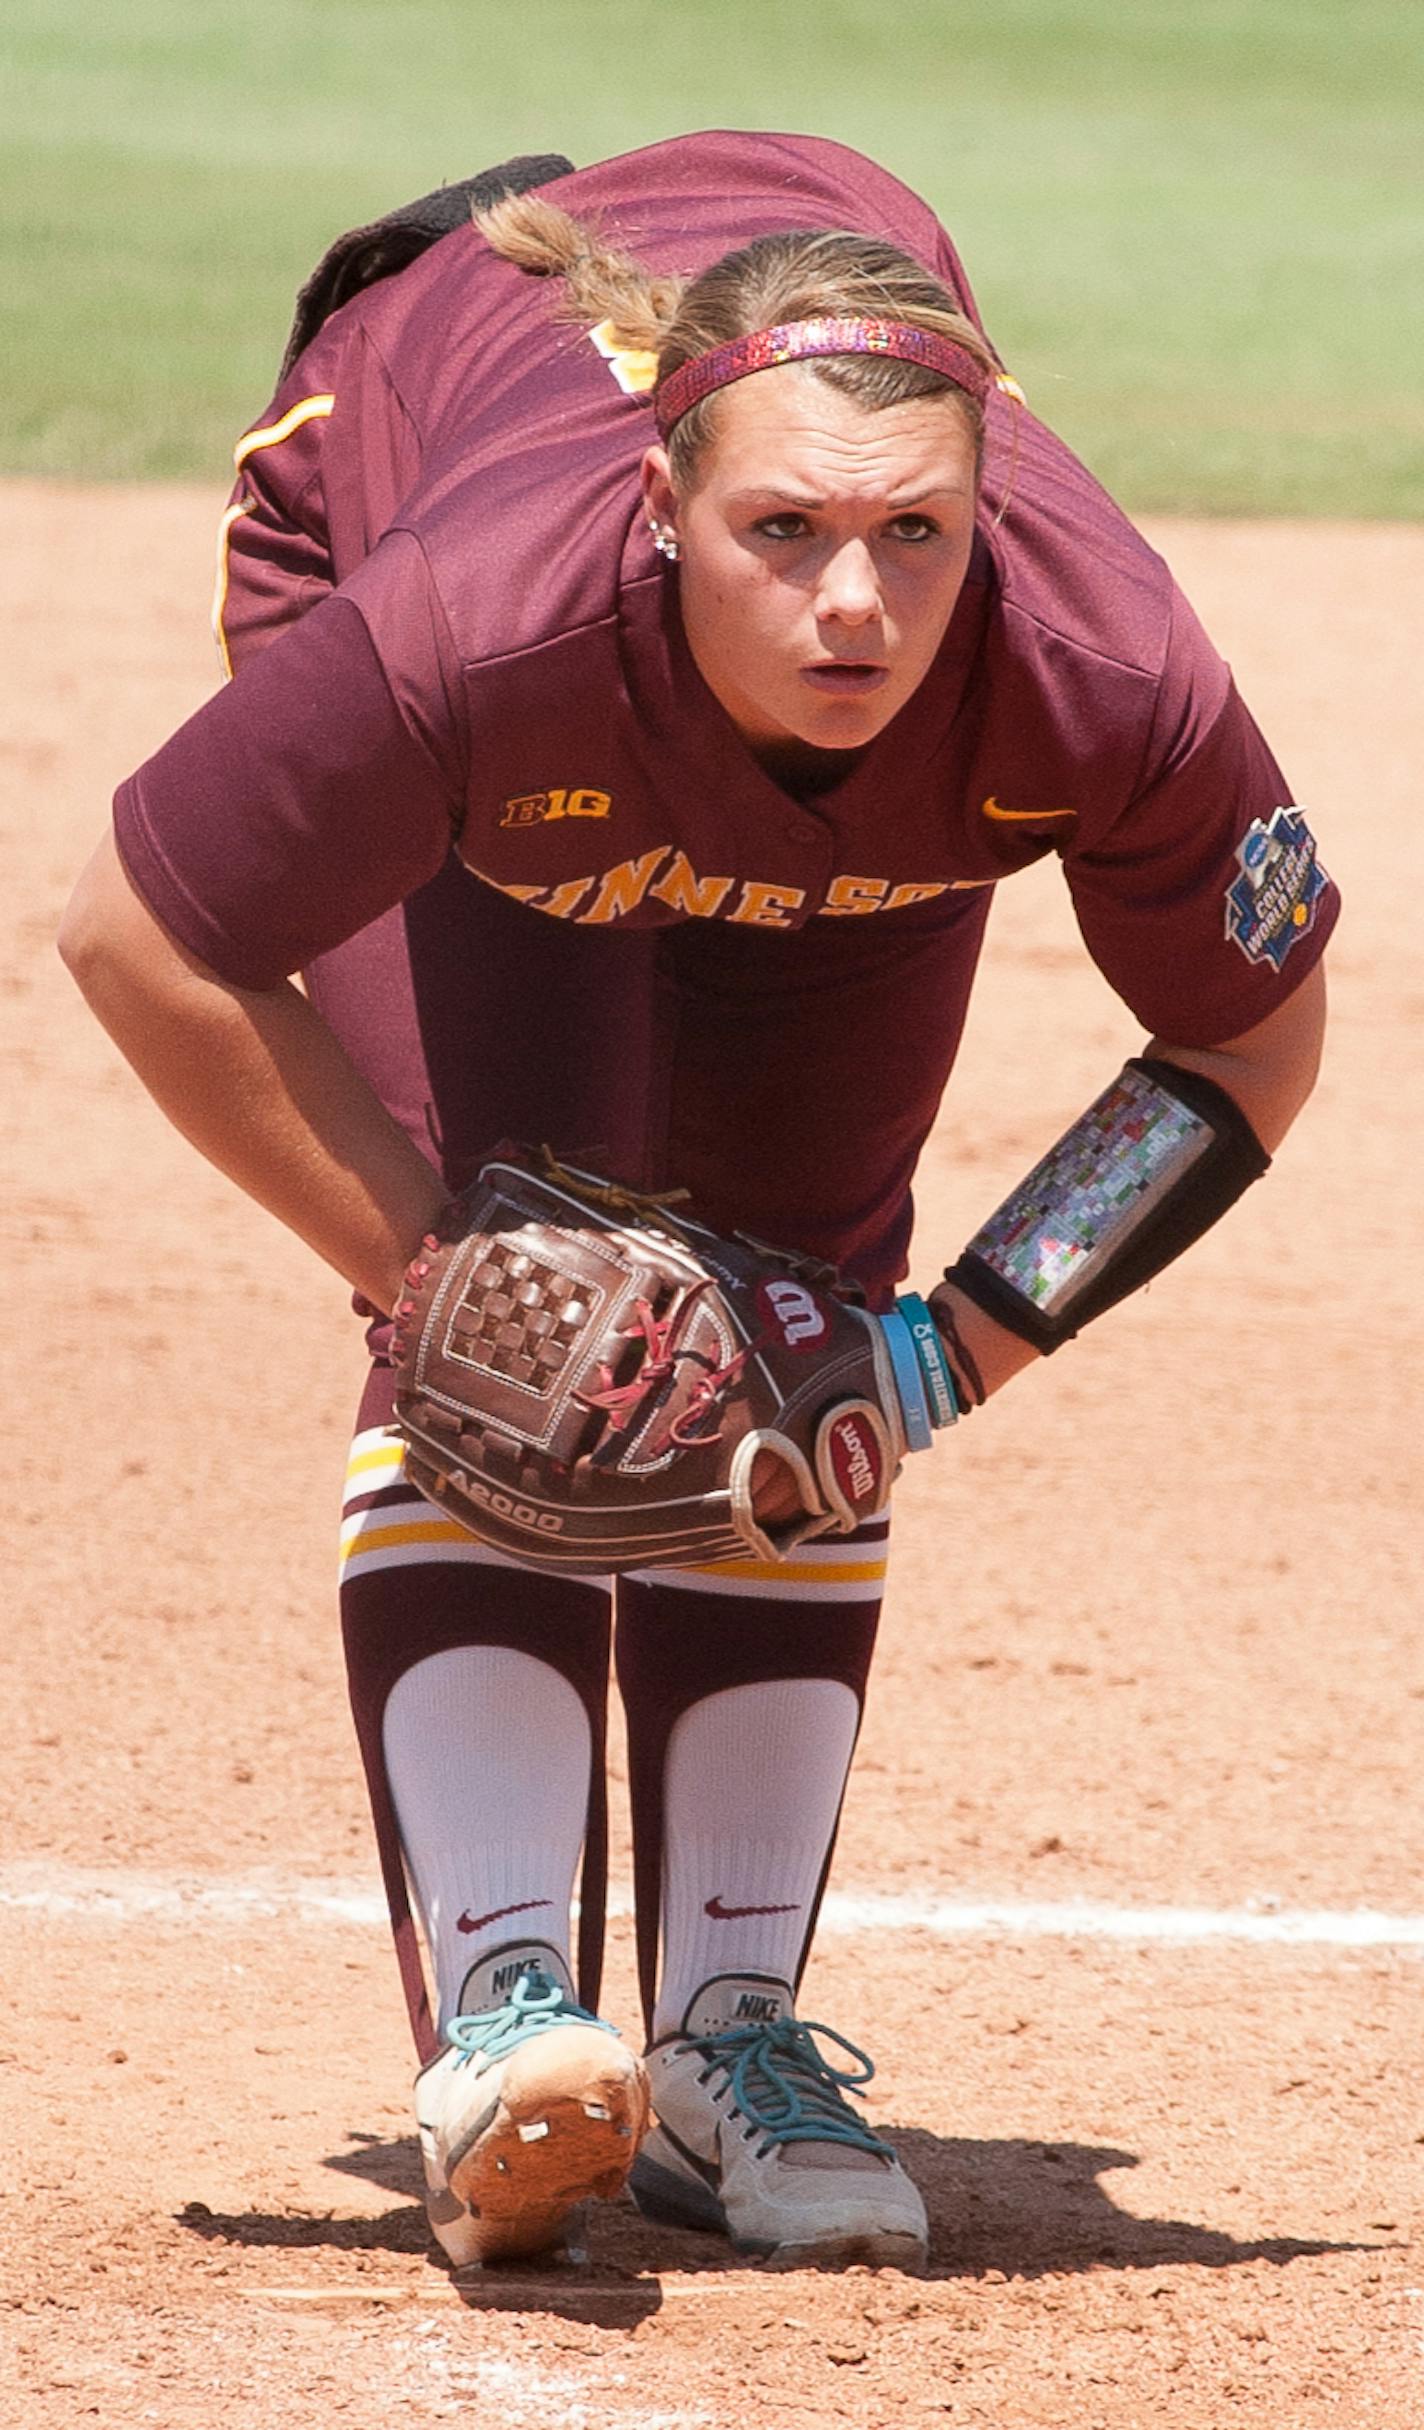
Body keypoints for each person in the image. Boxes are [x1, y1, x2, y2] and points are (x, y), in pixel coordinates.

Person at [59, 131, 1335, 2275]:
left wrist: (937, 1355)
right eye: (785, 531)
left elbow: (1246, 1044)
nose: (854, 601)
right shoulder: (474, 627)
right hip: (459, 639)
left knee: (791, 1317)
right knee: (546, 1309)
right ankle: (503, 2036)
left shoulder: (1089, 675)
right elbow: (140, 935)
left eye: (915, 533)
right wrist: (436, 1276)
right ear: (666, 511)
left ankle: (727, 2041)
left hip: (839, 844)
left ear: (988, 512)